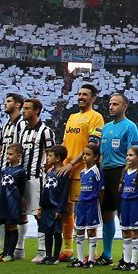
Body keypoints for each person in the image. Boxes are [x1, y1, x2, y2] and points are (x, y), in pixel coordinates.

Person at [94, 91, 138, 267]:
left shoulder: (130, 127)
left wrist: (127, 175)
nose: (111, 107)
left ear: (125, 106)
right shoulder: (105, 128)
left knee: (124, 215)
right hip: (105, 172)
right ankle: (106, 254)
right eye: (110, 104)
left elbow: (132, 153)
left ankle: (126, 255)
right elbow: (100, 154)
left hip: (121, 172)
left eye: (116, 104)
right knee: (106, 214)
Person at [61, 81, 105, 260]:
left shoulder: (96, 117)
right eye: (79, 94)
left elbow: (93, 145)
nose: (81, 97)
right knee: (66, 210)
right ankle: (68, 249)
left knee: (85, 211)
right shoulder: (71, 117)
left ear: (93, 98)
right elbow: (65, 143)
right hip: (66, 170)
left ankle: (91, 252)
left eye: (85, 94)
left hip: (83, 171)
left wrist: (73, 164)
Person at [16, 98, 56, 263]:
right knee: (20, 212)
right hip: (21, 176)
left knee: (39, 214)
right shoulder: (23, 129)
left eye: (27, 108)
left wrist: (46, 174)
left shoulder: (46, 131)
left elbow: (51, 154)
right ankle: (19, 248)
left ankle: (42, 250)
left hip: (37, 178)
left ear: (37, 111)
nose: (23, 111)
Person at [116, 145, 138, 272]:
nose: (127, 158)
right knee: (125, 232)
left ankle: (133, 262)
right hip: (125, 204)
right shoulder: (125, 172)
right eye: (127, 155)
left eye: (131, 155)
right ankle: (125, 260)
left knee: (134, 232)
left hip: (136, 204)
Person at [36, 145, 69, 266]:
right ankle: (48, 255)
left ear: (58, 158)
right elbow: (44, 190)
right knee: (47, 232)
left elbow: (64, 193)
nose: (47, 158)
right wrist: (41, 206)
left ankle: (55, 256)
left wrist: (60, 209)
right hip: (46, 207)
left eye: (50, 156)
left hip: (55, 208)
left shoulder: (64, 174)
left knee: (56, 232)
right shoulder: (50, 172)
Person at [72, 144, 104, 267]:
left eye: (88, 154)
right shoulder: (82, 172)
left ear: (95, 157)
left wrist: (99, 204)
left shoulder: (97, 171)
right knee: (79, 230)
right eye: (84, 154)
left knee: (91, 231)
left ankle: (91, 259)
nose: (84, 157)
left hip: (92, 204)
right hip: (81, 204)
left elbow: (101, 190)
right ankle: (80, 259)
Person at [0, 144, 28, 262]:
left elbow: (21, 188)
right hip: (4, 201)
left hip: (13, 202)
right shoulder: (5, 169)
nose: (8, 156)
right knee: (6, 227)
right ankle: (5, 252)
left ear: (19, 156)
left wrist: (20, 202)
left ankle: (10, 253)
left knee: (12, 226)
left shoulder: (20, 171)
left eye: (11, 154)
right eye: (7, 154)